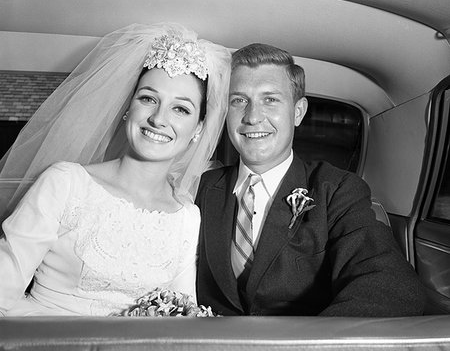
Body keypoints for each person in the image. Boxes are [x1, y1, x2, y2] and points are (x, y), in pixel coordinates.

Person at [0, 23, 231, 316]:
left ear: (198, 129)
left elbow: (182, 315)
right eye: (148, 98)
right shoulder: (65, 184)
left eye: (180, 109)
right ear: (128, 108)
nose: (159, 119)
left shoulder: (187, 217)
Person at [195, 43, 426, 316]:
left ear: (298, 112)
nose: (252, 116)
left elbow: (390, 285)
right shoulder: (200, 187)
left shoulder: (337, 190)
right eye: (239, 100)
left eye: (270, 99)